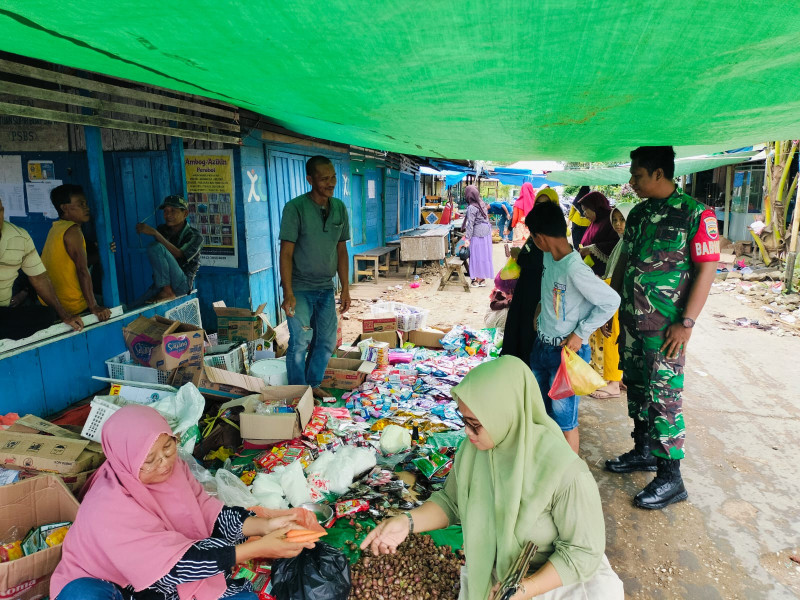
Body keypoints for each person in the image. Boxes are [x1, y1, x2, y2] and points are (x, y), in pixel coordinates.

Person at [361, 356, 624, 600]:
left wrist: (525, 588)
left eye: (475, 424)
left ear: (506, 416)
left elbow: (582, 552)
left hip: (554, 579)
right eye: (465, 421)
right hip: (501, 573)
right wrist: (406, 522)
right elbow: (451, 502)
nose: (467, 432)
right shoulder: (473, 451)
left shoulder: (566, 472)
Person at [51, 405, 319, 600]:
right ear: (125, 461)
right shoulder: (106, 508)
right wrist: (257, 548)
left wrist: (265, 525)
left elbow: (207, 513)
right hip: (108, 582)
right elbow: (169, 569)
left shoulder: (174, 471)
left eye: (168, 447)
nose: (164, 463)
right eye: (149, 459)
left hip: (162, 571)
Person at [605, 146, 719, 510]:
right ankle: (644, 451)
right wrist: (611, 306)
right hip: (632, 320)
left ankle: (672, 478)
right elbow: (625, 259)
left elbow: (707, 270)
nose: (631, 182)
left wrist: (687, 323)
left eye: (637, 175)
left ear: (658, 173)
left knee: (663, 396)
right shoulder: (638, 213)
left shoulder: (696, 214)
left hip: (666, 327)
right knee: (637, 387)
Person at [527, 201, 620, 453]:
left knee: (565, 420)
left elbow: (611, 301)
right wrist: (540, 308)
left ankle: (569, 471)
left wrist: (581, 333)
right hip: (542, 346)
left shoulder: (574, 268)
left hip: (566, 356)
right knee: (542, 411)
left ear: (539, 238)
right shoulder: (549, 256)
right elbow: (550, 289)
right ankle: (548, 459)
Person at [279, 156, 350, 398]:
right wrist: (288, 292)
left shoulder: (339, 208)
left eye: (333, 177)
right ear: (310, 180)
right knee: (300, 341)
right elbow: (286, 252)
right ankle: (298, 393)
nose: (331, 183)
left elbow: (341, 250)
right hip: (299, 287)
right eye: (324, 178)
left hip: (326, 286)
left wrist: (345, 288)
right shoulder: (295, 208)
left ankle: (312, 384)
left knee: (327, 340)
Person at [0, 196, 83, 340]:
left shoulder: (20, 237)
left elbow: (39, 278)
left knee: (47, 315)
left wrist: (64, 315)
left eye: (0, 210)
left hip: (4, 315)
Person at [500, 189, 562, 364]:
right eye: (539, 204)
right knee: (519, 326)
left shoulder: (553, 233)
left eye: (546, 205)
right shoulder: (536, 230)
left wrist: (519, 256)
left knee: (530, 330)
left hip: (540, 290)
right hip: (526, 287)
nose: (542, 209)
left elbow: (537, 261)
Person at [40, 184, 111, 321]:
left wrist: (105, 251)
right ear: (64, 207)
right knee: (121, 307)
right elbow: (82, 270)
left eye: (86, 204)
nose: (86, 208)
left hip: (51, 302)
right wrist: (94, 306)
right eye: (80, 204)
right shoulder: (73, 230)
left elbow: (74, 262)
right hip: (71, 304)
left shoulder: (56, 228)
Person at [589, 202, 636, 400]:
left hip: (618, 297)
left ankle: (613, 384)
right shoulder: (622, 242)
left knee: (612, 338)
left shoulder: (629, 243)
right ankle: (620, 377)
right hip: (615, 295)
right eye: (615, 220)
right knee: (618, 339)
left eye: (622, 219)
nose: (618, 224)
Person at [136, 195, 203, 302]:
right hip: (162, 284)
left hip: (182, 285)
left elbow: (179, 254)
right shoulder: (163, 230)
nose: (168, 215)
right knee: (135, 306)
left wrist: (155, 233)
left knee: (155, 247)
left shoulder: (195, 236)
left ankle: (167, 291)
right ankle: (165, 289)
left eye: (173, 211)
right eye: (165, 211)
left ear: (185, 214)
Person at [576, 192, 618, 276]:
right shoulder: (595, 222)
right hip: (590, 270)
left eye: (585, 210)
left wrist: (592, 249)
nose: (584, 214)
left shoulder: (611, 220)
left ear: (596, 207)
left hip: (603, 273)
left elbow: (617, 244)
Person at [462, 185, 494, 287]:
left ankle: (476, 280)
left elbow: (470, 224)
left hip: (477, 234)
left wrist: (467, 238)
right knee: (484, 255)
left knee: (476, 256)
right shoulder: (482, 203)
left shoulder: (472, 207)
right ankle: (482, 279)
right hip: (486, 232)